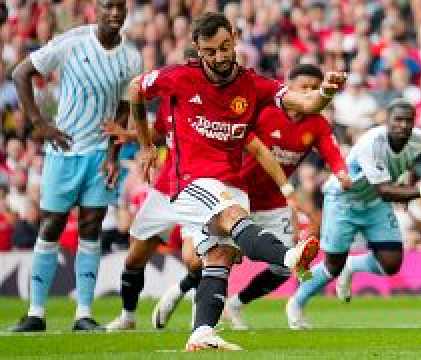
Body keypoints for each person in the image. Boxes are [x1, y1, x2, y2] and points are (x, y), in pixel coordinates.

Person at [130, 12, 346, 351]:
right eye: (209, 51)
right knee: (230, 220)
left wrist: (326, 94)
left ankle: (201, 332)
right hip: (190, 181)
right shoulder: (178, 78)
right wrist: (144, 144)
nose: (218, 57)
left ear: (234, 37)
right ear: (197, 49)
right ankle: (288, 257)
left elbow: (306, 101)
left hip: (232, 185)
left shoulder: (253, 84)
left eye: (224, 47)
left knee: (219, 258)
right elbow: (136, 90)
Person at [152, 63, 352, 331]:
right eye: (304, 87)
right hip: (235, 194)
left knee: (283, 269)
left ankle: (235, 304)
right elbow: (255, 149)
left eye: (314, 89)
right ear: (289, 86)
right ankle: (184, 295)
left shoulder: (316, 124)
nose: (309, 92)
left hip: (273, 202)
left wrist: (341, 173)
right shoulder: (264, 112)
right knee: (207, 258)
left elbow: (332, 152)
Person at [10, 0, 142, 332]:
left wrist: (114, 154)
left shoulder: (132, 57)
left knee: (91, 228)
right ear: (95, 10)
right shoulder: (72, 42)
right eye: (108, 7)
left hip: (100, 156)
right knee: (51, 226)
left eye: (120, 8)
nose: (115, 13)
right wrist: (39, 122)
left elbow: (124, 110)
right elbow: (21, 72)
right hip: (63, 151)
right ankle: (36, 313)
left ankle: (83, 313)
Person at [286, 99, 421, 329]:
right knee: (332, 266)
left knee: (391, 263)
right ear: (387, 121)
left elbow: (406, 164)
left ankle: (353, 266)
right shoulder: (372, 143)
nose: (403, 125)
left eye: (408, 120)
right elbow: (386, 191)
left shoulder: (417, 141)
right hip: (344, 200)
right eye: (397, 120)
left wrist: (405, 183)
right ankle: (296, 303)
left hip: (374, 202)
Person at [104, 48, 203, 332]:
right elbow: (160, 133)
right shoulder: (169, 99)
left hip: (198, 187)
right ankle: (128, 316)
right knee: (135, 256)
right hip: (165, 187)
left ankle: (187, 300)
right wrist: (131, 136)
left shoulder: (211, 102)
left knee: (195, 259)